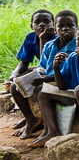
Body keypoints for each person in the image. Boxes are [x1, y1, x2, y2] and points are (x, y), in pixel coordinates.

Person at [34, 22, 79, 143]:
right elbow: (62, 86)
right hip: (75, 96)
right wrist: (56, 67)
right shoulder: (73, 57)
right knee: (43, 94)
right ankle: (52, 132)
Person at [7, 9, 58, 139]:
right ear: (32, 26)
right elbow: (24, 62)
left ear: (54, 25)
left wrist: (43, 39)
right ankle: (30, 118)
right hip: (42, 72)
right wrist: (14, 75)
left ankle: (34, 120)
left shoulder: (57, 38)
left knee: (29, 86)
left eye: (47, 22)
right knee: (15, 84)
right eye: (38, 22)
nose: (42, 25)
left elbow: (46, 63)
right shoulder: (30, 37)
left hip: (54, 73)